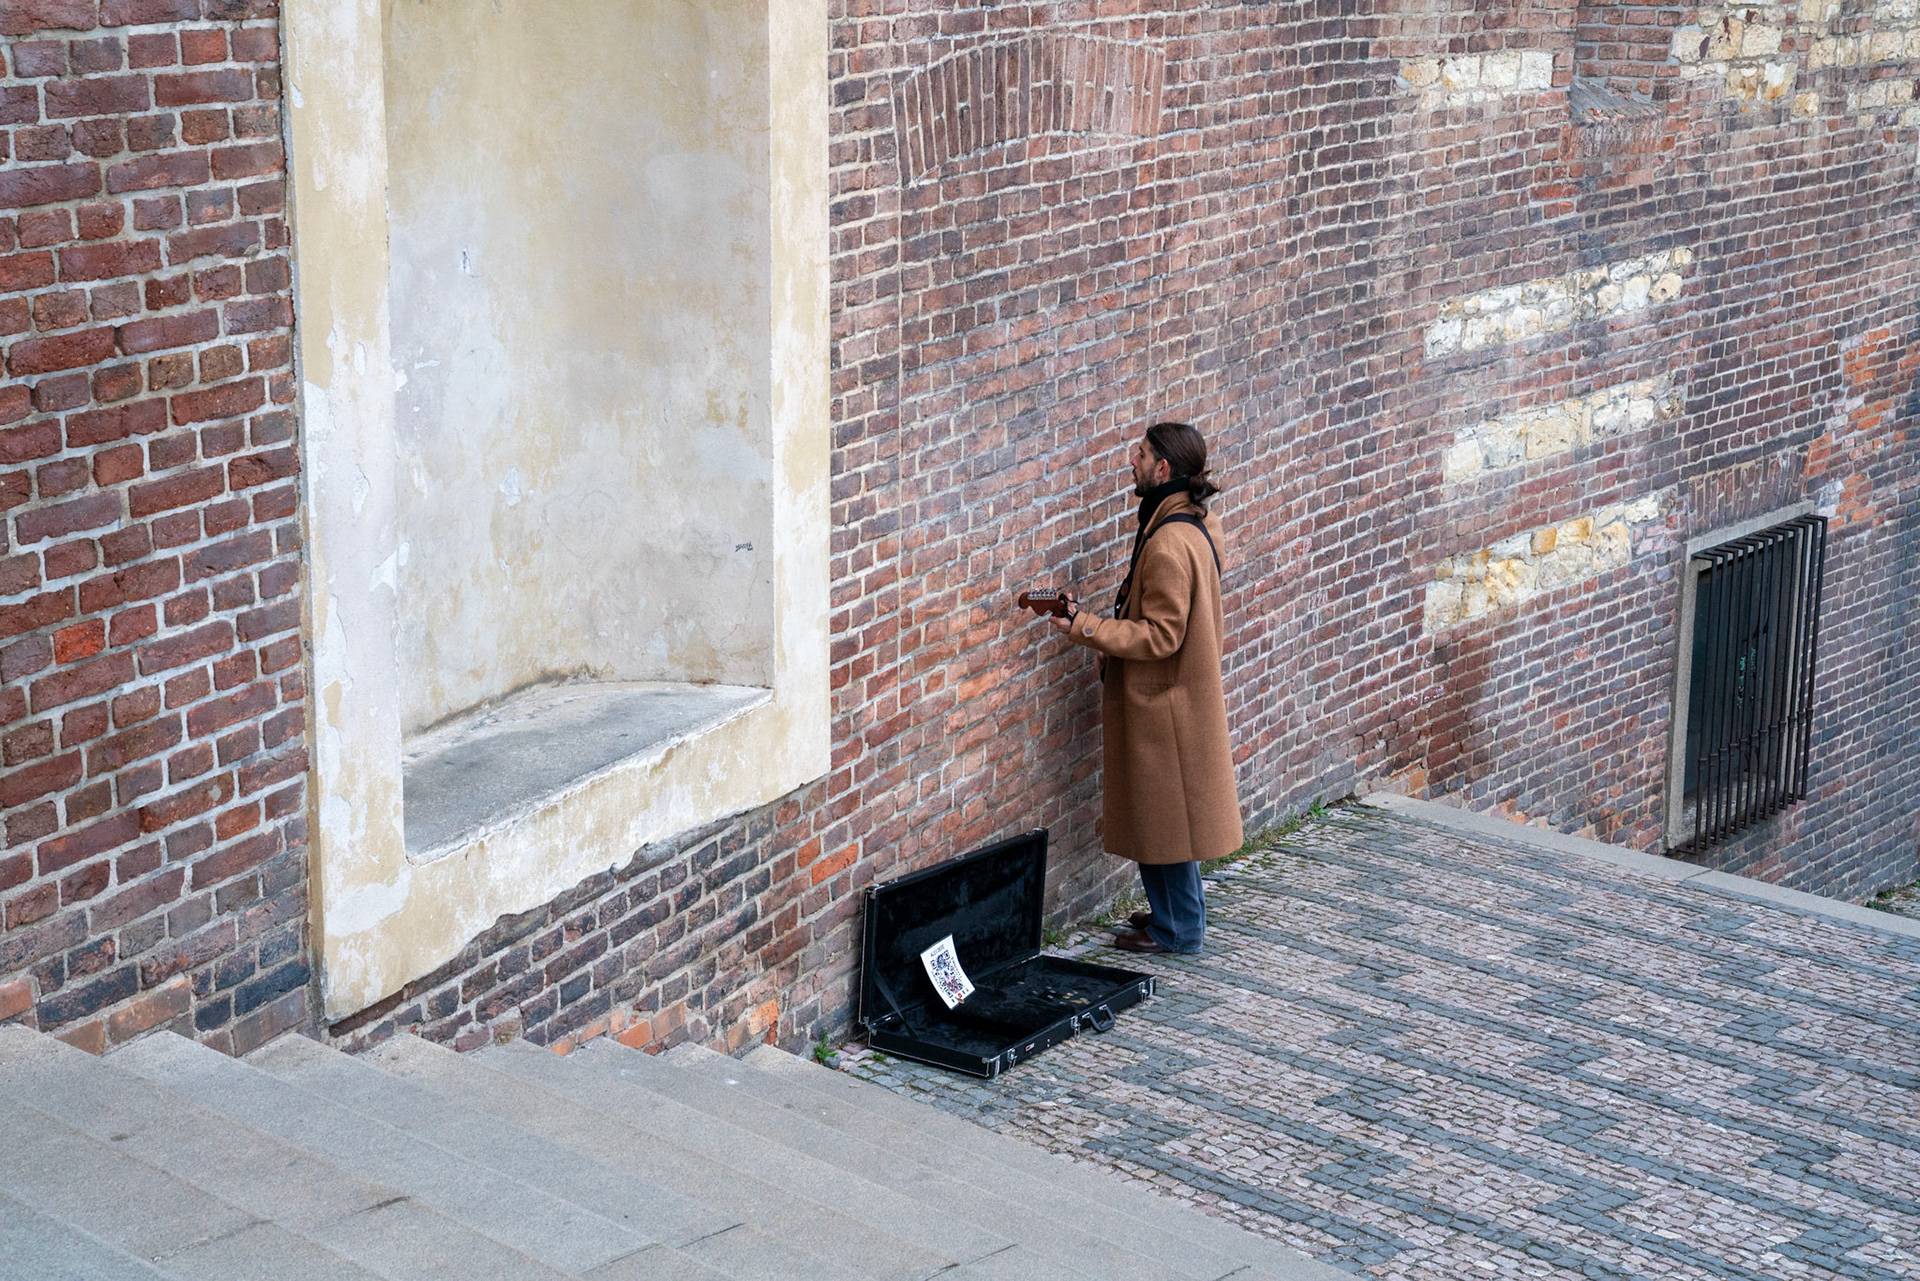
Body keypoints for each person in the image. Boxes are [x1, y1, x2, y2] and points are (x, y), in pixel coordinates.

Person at [1040, 421, 1243, 954]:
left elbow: (1162, 634)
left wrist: (1086, 627)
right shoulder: (1194, 523)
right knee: (1171, 822)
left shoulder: (1169, 544)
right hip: (1177, 701)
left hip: (1164, 707)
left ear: (1163, 469)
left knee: (1166, 825)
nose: (1131, 457)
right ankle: (1175, 914)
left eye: (1142, 452)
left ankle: (1178, 930)